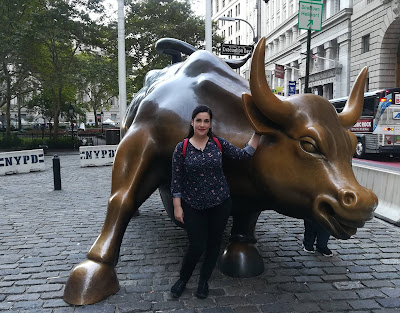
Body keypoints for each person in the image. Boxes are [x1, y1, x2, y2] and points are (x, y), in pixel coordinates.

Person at [170, 105, 260, 299]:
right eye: (199, 120)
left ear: (210, 124)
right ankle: (183, 279)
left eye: (206, 121)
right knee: (196, 245)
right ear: (192, 122)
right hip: (193, 205)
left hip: (220, 204)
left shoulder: (217, 143)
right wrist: (177, 206)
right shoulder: (182, 148)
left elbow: (243, 155)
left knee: (214, 244)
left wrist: (258, 133)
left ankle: (204, 281)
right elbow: (176, 180)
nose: (202, 125)